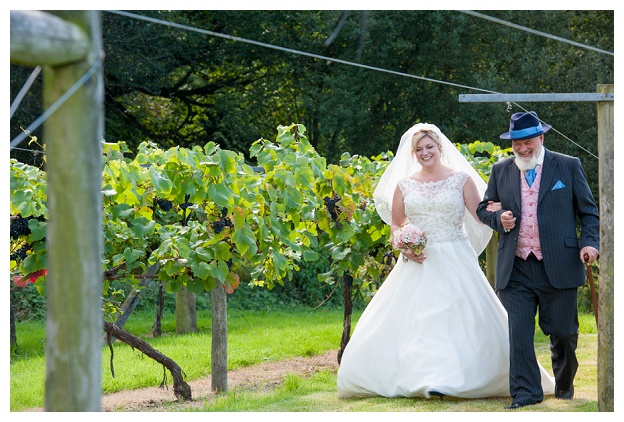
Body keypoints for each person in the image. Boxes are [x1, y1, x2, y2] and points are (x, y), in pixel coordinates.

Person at [336, 122, 555, 400]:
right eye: (419, 149)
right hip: (418, 261)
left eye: (429, 146)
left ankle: (460, 378)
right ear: (413, 153)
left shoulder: (460, 179)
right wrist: (403, 244)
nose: (425, 152)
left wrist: (501, 212)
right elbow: (395, 225)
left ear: (439, 147)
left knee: (456, 318)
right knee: (418, 321)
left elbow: (480, 215)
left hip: (454, 257)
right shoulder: (403, 185)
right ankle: (423, 378)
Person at [476, 111, 600, 409]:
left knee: (563, 333)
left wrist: (590, 243)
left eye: (527, 142)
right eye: (516, 144)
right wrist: (498, 218)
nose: (521, 149)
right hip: (515, 266)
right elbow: (483, 208)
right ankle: (526, 393)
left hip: (558, 264)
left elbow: (588, 211)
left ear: (541, 138)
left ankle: (564, 383)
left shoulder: (568, 166)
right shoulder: (500, 170)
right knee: (518, 333)